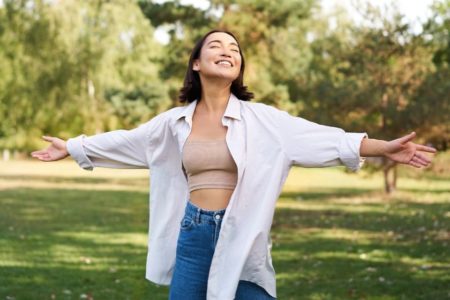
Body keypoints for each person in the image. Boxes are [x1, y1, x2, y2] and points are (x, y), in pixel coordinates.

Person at [31, 29, 437, 300]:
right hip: (193, 235)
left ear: (239, 67)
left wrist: (384, 148)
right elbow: (127, 141)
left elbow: (324, 138)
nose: (227, 52)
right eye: (216, 46)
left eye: (235, 50)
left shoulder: (264, 120)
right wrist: (71, 145)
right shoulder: (173, 123)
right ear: (196, 64)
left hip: (243, 233)